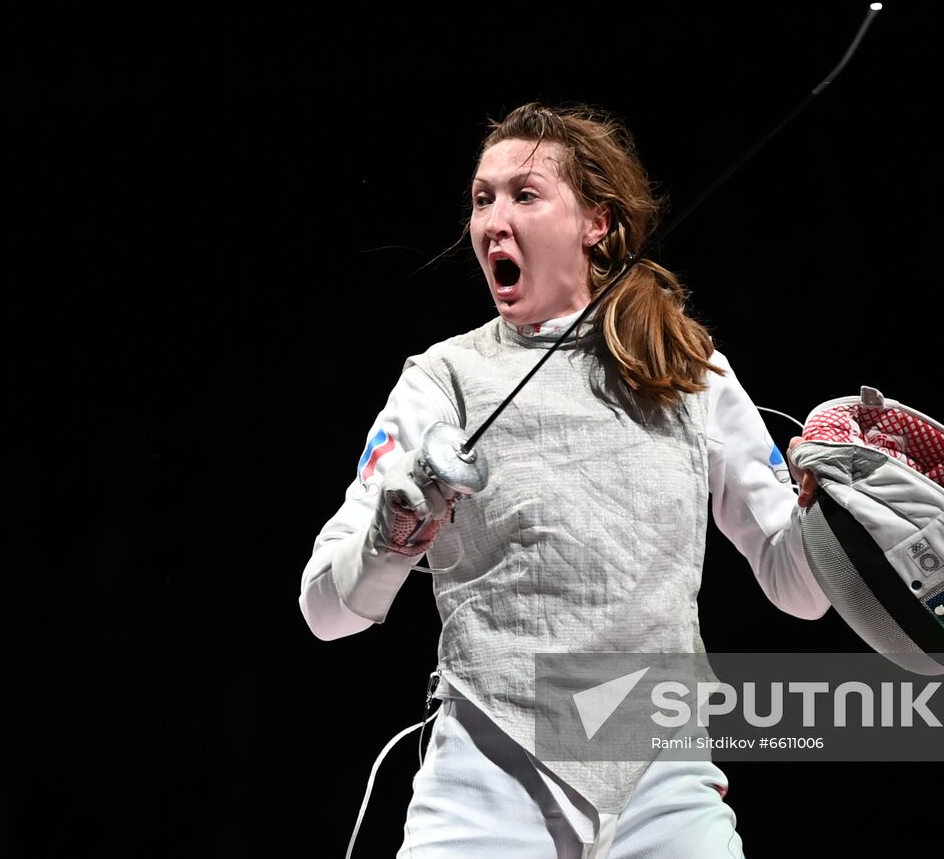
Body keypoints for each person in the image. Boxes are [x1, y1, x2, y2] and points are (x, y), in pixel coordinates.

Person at [299, 102, 827, 858]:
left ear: (598, 223)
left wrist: (832, 516)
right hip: (490, 765)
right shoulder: (443, 379)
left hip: (662, 773)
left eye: (524, 194)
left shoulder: (687, 368)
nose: (492, 221)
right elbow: (324, 608)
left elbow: (799, 588)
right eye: (482, 198)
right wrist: (390, 540)